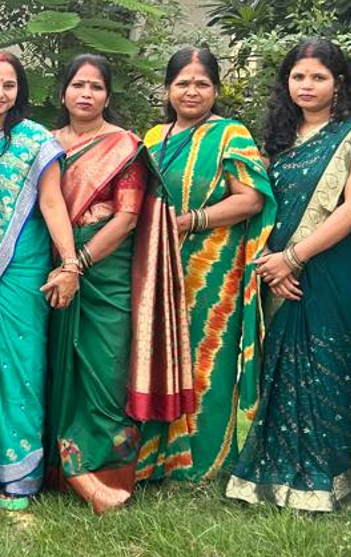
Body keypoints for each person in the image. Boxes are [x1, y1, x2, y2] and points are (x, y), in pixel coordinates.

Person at [226, 39, 351, 512]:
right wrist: (272, 261)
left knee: (327, 367)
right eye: (298, 76)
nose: (306, 85)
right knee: (282, 370)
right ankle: (273, 474)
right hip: (278, 267)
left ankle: (326, 479)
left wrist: (293, 258)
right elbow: (263, 205)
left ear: (339, 83)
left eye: (318, 77)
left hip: (335, 265)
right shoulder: (280, 138)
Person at [45, 54, 194, 515]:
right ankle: (57, 470)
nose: (86, 94)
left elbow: (128, 218)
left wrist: (78, 264)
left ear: (108, 96)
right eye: (78, 85)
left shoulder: (124, 146)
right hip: (53, 262)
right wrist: (65, 263)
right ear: (63, 92)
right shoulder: (45, 144)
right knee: (56, 368)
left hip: (105, 270)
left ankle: (104, 474)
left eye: (96, 87)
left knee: (105, 369)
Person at [135, 47, 276, 482]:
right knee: (158, 355)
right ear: (167, 89)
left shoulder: (231, 134)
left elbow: (251, 199)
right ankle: (155, 457)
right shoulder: (153, 137)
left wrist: (190, 221)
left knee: (206, 357)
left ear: (216, 89)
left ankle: (205, 463)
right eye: (182, 83)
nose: (191, 92)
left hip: (213, 267)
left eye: (202, 84)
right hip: (159, 265)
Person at [0, 50, 80, 510]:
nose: (0, 92)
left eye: (9, 85)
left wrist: (69, 262)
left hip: (21, 268)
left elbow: (51, 202)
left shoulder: (35, 140)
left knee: (20, 366)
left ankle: (19, 474)